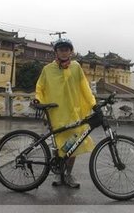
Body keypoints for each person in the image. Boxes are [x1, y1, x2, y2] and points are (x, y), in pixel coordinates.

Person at [35, 38, 96, 188]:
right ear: (56, 52)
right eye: (60, 49)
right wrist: (38, 99)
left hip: (73, 112)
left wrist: (93, 103)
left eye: (66, 49)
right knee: (59, 144)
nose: (63, 52)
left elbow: (84, 87)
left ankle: (68, 174)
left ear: (71, 51)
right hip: (55, 112)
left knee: (73, 144)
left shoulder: (76, 67)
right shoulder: (47, 69)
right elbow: (40, 87)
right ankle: (59, 173)